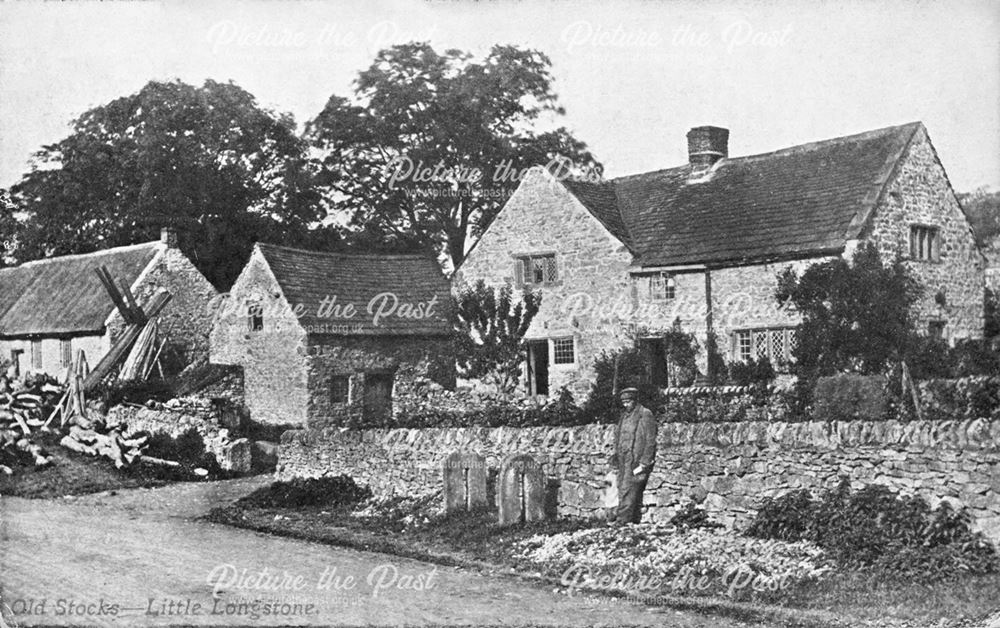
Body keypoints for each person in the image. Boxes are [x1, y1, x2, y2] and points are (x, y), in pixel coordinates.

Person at [610, 387, 658, 525]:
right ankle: (623, 516)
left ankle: (623, 519)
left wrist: (645, 461)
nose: (626, 405)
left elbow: (650, 439)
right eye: (624, 402)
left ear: (635, 400)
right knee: (621, 486)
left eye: (628, 402)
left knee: (629, 487)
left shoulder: (645, 414)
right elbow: (618, 436)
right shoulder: (624, 416)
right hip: (623, 458)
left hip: (636, 459)